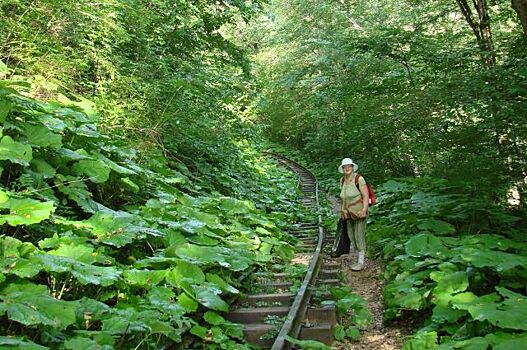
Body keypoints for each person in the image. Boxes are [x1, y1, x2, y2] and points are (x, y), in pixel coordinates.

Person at [338, 158, 369, 271]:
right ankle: (357, 259)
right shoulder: (342, 180)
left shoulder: (359, 179)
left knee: (358, 235)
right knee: (351, 235)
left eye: (349, 166)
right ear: (342, 168)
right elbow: (343, 198)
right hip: (348, 213)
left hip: (359, 211)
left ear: (352, 167)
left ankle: (360, 262)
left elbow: (365, 196)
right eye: (345, 166)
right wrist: (342, 211)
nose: (347, 168)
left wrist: (364, 209)